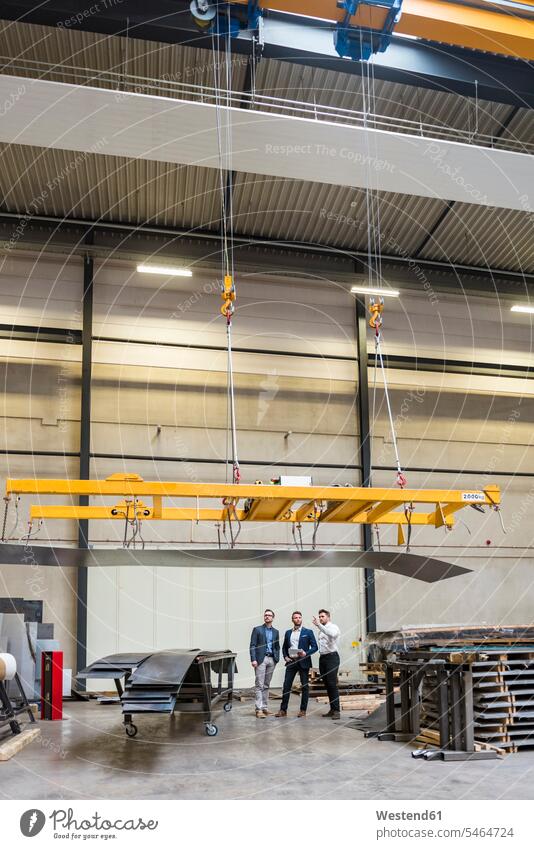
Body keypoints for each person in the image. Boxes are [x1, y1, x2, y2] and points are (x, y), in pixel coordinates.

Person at [276, 611, 318, 718]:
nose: (298, 619)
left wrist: (306, 653)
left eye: (299, 617)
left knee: (304, 687)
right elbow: (285, 647)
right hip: (291, 662)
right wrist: (285, 656)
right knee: (286, 686)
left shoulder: (308, 632)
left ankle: (303, 710)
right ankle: (283, 710)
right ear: (292, 620)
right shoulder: (288, 633)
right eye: (295, 618)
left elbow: (315, 647)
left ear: (301, 619)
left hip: (303, 661)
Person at [249, 609, 280, 718]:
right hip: (260, 660)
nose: (267, 617)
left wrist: (277, 658)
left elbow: (277, 646)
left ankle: (265, 708)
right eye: (265, 615)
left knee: (266, 685)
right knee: (259, 685)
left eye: (269, 615)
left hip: (271, 660)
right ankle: (258, 709)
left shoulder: (276, 632)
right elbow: (252, 645)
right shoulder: (257, 630)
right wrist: (253, 659)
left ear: (273, 617)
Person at [313, 609, 341, 719]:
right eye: (319, 616)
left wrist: (319, 625)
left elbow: (332, 634)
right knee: (327, 684)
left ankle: (337, 711)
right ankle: (332, 709)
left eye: (322, 616)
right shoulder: (322, 630)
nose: (320, 618)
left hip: (332, 657)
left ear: (328, 617)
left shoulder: (333, 627)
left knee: (332, 684)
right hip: (323, 658)